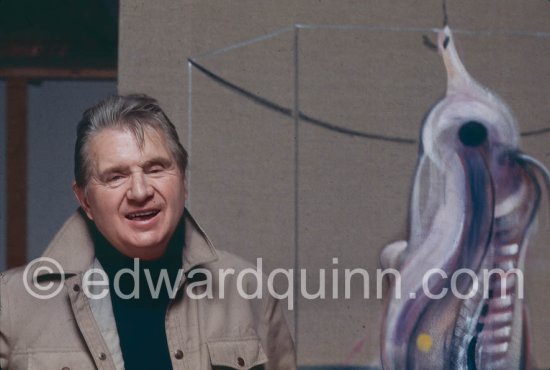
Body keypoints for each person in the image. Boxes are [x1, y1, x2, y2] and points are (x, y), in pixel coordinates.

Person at [0, 94, 296, 369]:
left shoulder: (248, 291)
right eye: (115, 176)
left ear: (183, 182)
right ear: (85, 200)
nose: (140, 192)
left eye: (156, 169)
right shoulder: (12, 303)